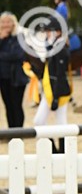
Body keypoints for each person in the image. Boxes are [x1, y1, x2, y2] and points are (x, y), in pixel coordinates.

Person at [32, 17, 72, 152]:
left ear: (59, 32)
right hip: (49, 91)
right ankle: (54, 150)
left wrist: (55, 97)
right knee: (40, 121)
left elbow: (59, 75)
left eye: (49, 31)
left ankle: (61, 151)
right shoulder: (54, 47)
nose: (47, 34)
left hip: (57, 91)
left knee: (60, 123)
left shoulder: (60, 50)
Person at [0, 12, 29, 128]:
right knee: (8, 106)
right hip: (3, 78)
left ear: (13, 23)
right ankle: (11, 131)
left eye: (8, 22)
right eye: (3, 22)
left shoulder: (19, 37)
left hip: (17, 78)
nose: (6, 24)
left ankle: (18, 132)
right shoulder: (1, 39)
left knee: (16, 105)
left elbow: (17, 55)